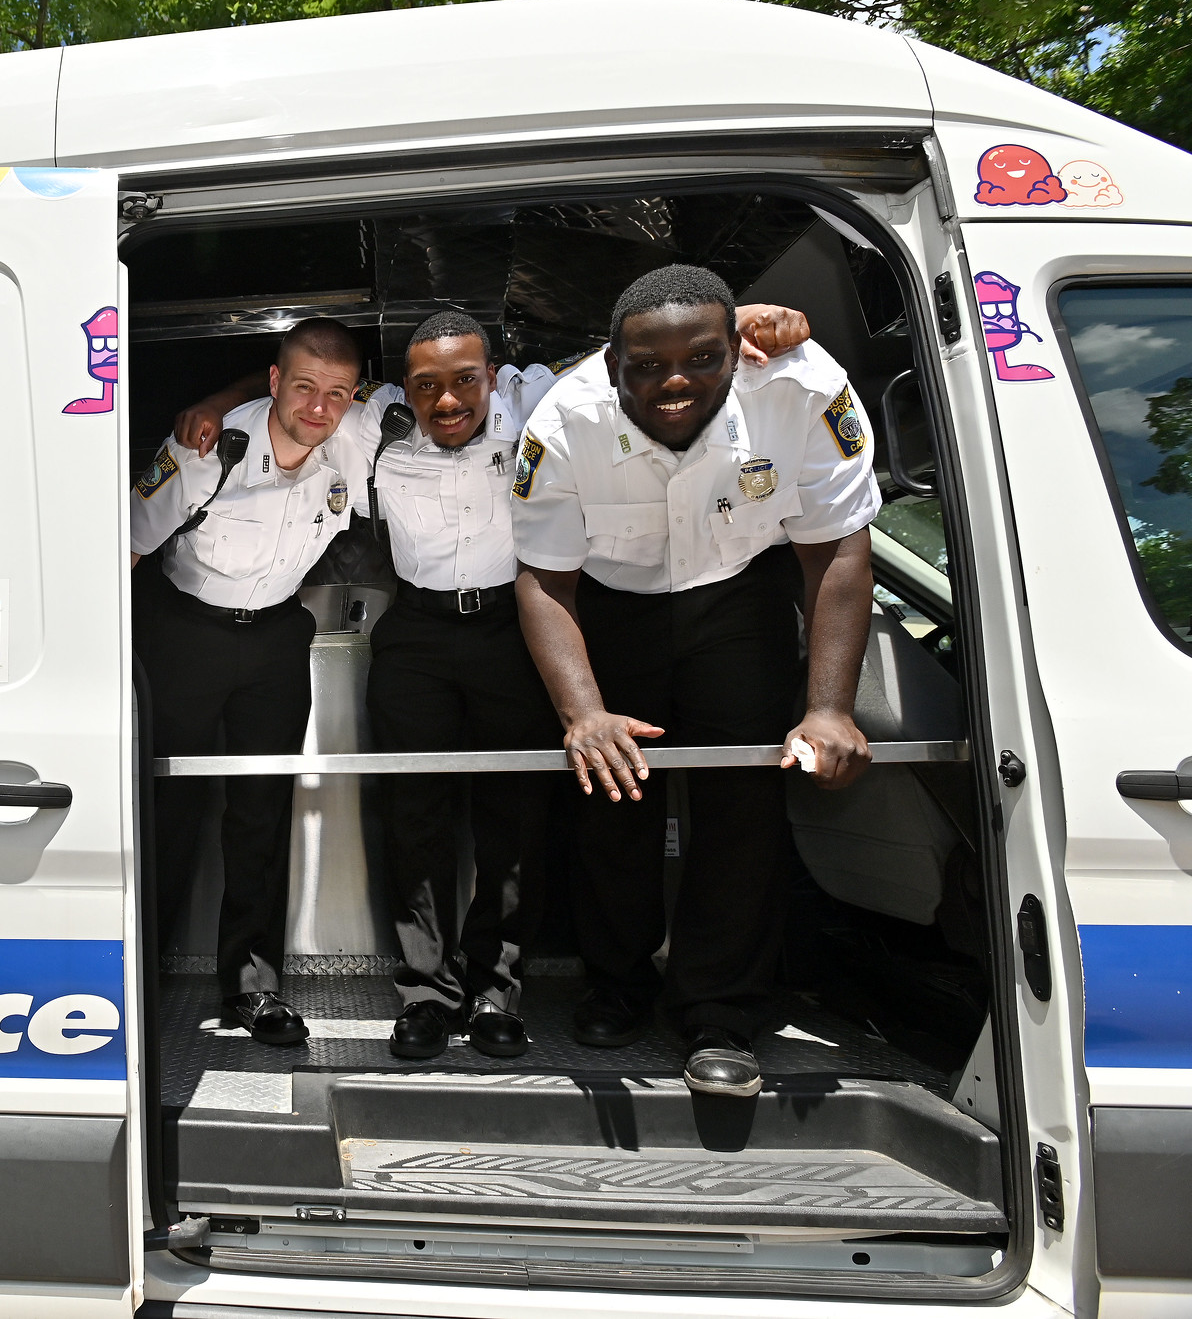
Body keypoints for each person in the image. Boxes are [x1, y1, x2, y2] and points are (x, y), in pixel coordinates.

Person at [175, 303, 815, 1060]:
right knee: (415, 819)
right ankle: (424, 995)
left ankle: (494, 993)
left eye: (465, 380)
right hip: (414, 633)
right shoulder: (369, 419)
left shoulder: (532, 398)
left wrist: (733, 317)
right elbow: (300, 380)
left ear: (492, 375)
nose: (447, 400)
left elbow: (617, 358)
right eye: (426, 385)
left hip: (514, 631)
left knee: (513, 824)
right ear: (401, 388)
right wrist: (216, 403)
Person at [512, 263, 877, 1097]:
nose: (673, 382)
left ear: (737, 348)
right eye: (645, 366)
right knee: (612, 792)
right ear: (611, 364)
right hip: (607, 604)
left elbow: (836, 548)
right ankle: (617, 982)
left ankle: (722, 1010)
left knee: (743, 802)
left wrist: (828, 707)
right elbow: (544, 581)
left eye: (702, 359)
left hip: (741, 596)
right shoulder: (565, 419)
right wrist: (584, 712)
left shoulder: (805, 391)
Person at [131, 317, 369, 1046]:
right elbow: (127, 544)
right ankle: (137, 982)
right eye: (304, 387)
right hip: (185, 634)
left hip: (274, 636)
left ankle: (254, 987)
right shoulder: (209, 448)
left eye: (337, 393)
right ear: (274, 382)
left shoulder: (357, 444)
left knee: (262, 811)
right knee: (167, 807)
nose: (319, 408)